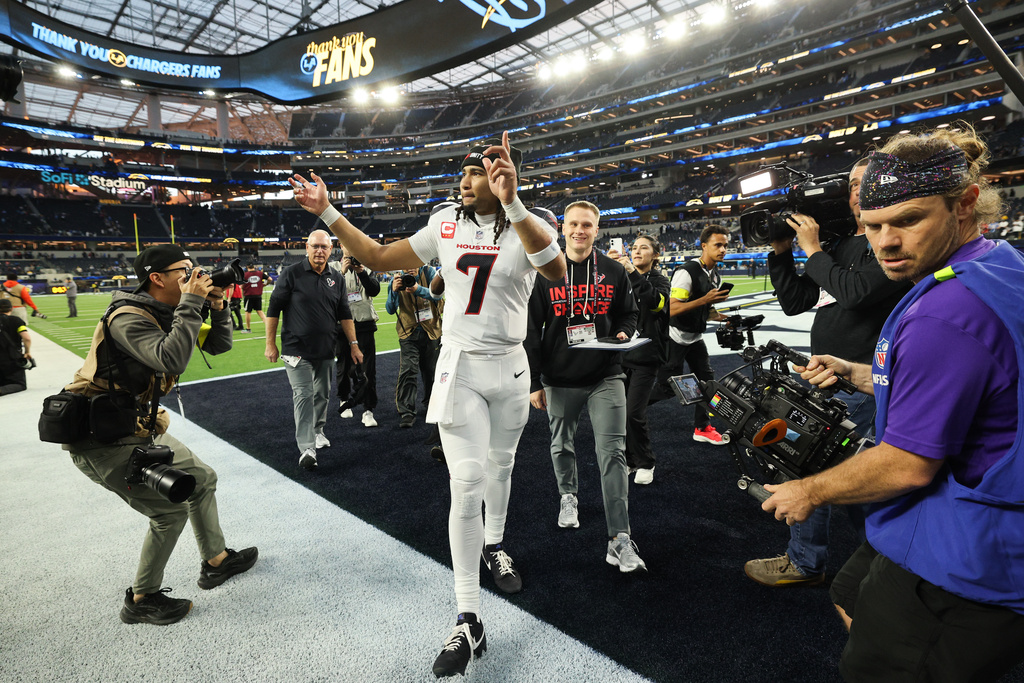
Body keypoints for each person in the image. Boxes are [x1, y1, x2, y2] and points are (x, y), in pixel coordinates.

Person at [288, 132, 565, 679]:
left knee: (501, 466)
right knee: (465, 483)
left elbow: (555, 271)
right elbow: (375, 255)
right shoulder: (444, 223)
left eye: (477, 174)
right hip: (459, 364)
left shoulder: (532, 224)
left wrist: (512, 202)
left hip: (510, 366)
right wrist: (328, 213)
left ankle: (495, 545)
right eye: (462, 174)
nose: (464, 181)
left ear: (503, 178)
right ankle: (468, 616)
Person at [762, 126, 1024, 680]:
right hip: (974, 524)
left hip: (964, 563)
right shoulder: (997, 264)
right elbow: (974, 384)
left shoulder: (944, 311)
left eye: (908, 220)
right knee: (851, 589)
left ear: (966, 203)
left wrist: (808, 490)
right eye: (874, 225)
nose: (885, 242)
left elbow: (907, 464)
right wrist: (864, 374)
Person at [60, 244, 257, 625]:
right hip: (100, 435)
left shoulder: (165, 312)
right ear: (157, 278)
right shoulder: (128, 317)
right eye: (184, 271)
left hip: (136, 425)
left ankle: (216, 561)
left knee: (202, 479)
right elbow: (170, 359)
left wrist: (218, 307)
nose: (193, 276)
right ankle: (142, 598)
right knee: (168, 512)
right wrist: (190, 304)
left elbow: (218, 345)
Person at [744, 158, 912, 587]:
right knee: (814, 465)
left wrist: (815, 250)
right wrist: (782, 252)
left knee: (844, 474)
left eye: (866, 182)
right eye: (852, 183)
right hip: (822, 374)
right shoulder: (842, 243)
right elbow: (796, 300)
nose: (857, 190)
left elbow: (855, 294)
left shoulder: (890, 241)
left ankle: (835, 561)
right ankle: (858, 560)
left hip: (863, 380)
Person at [526, 201, 646, 572]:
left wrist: (624, 331)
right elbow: (530, 330)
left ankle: (619, 539)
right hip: (559, 377)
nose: (580, 231)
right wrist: (533, 381)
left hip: (605, 375)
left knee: (613, 453)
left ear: (597, 229)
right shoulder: (545, 271)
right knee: (561, 445)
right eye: (574, 224)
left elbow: (629, 312)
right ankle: (568, 495)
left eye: (588, 225)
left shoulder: (611, 270)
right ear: (562, 228)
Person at [266, 230, 362, 471]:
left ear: (331, 250)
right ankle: (307, 448)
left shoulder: (336, 278)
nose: (320, 251)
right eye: (315, 246)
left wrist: (353, 344)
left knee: (322, 394)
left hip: (326, 349)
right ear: (306, 248)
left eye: (324, 247)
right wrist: (270, 343)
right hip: (295, 349)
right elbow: (273, 308)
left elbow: (344, 314)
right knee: (303, 395)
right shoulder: (291, 273)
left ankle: (318, 430)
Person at [648, 224, 732, 444]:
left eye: (725, 245)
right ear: (704, 246)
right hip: (674, 337)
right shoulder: (687, 271)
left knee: (707, 382)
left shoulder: (714, 275)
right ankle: (628, 410)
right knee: (666, 388)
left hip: (695, 338)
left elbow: (704, 310)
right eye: (718, 245)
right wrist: (706, 300)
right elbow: (673, 309)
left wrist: (720, 316)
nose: (723, 249)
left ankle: (702, 427)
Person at [609, 233, 670, 485]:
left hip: (646, 356)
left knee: (634, 412)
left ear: (655, 254)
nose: (636, 251)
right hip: (620, 354)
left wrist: (631, 272)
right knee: (618, 414)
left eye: (644, 248)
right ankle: (630, 461)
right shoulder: (620, 277)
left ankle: (646, 462)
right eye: (633, 247)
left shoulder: (660, 280)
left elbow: (656, 304)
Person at [385, 265, 442, 428]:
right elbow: (390, 309)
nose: (410, 268)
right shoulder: (396, 279)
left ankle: (433, 405)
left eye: (414, 264)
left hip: (431, 330)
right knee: (409, 370)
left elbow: (437, 296)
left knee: (431, 370)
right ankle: (407, 412)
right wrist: (394, 291)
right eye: (406, 264)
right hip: (408, 331)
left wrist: (417, 289)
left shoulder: (430, 273)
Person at [330, 248, 381, 427]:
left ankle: (368, 409)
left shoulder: (366, 267)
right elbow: (328, 293)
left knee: (368, 368)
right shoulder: (332, 268)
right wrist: (341, 273)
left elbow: (374, 291)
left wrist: (361, 272)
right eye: (346, 245)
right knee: (343, 365)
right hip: (342, 325)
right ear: (341, 248)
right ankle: (344, 399)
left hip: (364, 323)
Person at [0, 298, 31, 395]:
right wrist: (27, 352)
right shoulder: (16, 321)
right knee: (19, 384)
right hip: (12, 359)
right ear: (11, 308)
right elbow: (27, 338)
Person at [241, 264, 270, 333]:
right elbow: (270, 279)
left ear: (247, 267)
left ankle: (248, 329)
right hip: (258, 295)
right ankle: (269, 327)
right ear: (254, 267)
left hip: (249, 295)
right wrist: (265, 284)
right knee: (259, 311)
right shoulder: (260, 273)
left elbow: (242, 286)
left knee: (248, 311)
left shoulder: (245, 275)